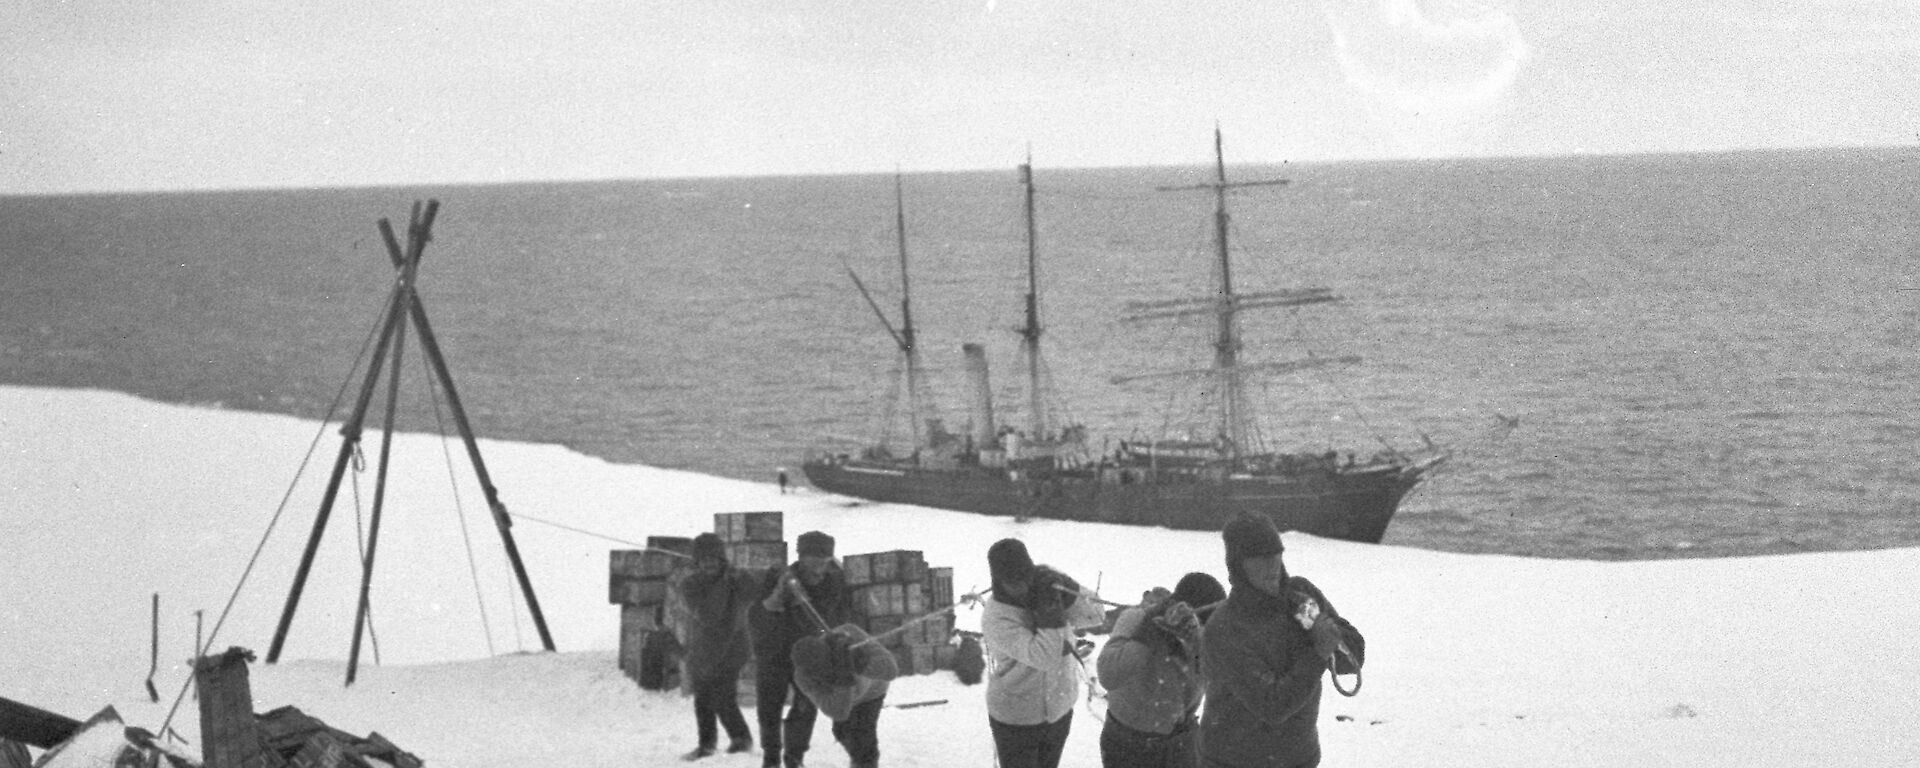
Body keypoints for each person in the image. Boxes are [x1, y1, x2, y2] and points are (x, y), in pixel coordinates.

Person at [1199, 515, 1361, 768]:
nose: (1272, 565)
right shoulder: (1226, 626)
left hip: (1298, 758)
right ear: (1239, 566)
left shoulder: (1301, 594)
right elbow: (1272, 705)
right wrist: (1318, 650)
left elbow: (1352, 660)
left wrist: (1319, 624)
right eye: (1260, 558)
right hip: (1231, 761)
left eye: (1276, 555)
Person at [1097, 572, 1226, 768]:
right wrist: (1149, 632)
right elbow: (1109, 674)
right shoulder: (1135, 619)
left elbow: (1222, 681)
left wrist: (1196, 644)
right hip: (1126, 745)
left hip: (1180, 744)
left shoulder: (1205, 637)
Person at [749, 531, 853, 768]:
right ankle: (771, 757)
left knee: (806, 707)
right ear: (801, 557)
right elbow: (756, 615)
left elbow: (836, 616)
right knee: (769, 707)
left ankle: (795, 758)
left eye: (824, 560)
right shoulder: (778, 578)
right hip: (773, 652)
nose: (818, 567)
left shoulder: (834, 582)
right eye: (813, 559)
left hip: (809, 655)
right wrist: (775, 599)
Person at [981, 538, 1084, 768]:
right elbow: (1045, 657)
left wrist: (1069, 589)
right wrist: (1050, 611)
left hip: (1059, 709)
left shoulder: (1046, 587)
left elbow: (1095, 616)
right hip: (1016, 718)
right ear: (998, 580)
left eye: (1026, 578)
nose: (1023, 587)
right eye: (1013, 582)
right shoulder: (997, 617)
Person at [674, 532, 761, 761]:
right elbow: (709, 615)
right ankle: (708, 744)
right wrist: (724, 582)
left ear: (722, 559)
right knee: (703, 698)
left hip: (733, 647)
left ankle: (741, 740)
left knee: (722, 697)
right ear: (697, 562)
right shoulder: (690, 584)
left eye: (714, 558)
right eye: (704, 559)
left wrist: (741, 577)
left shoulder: (735, 579)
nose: (709, 564)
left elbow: (754, 592)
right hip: (704, 648)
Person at [790, 624, 899, 768]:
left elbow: (890, 671)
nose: (827, 677)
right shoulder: (803, 678)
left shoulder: (850, 634)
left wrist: (861, 661)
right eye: (822, 675)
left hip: (872, 693)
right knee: (841, 732)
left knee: (862, 740)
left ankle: (865, 763)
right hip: (845, 698)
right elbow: (838, 712)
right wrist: (844, 675)